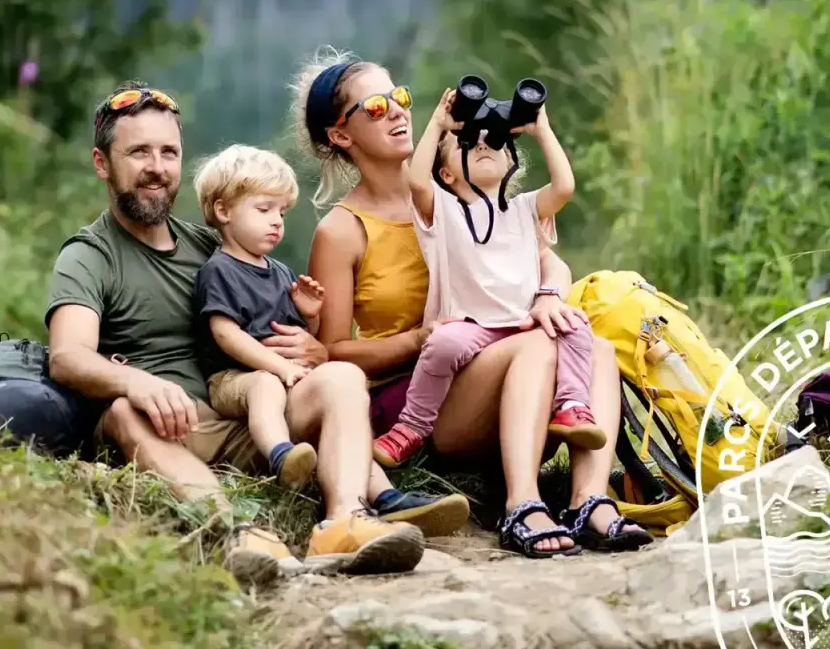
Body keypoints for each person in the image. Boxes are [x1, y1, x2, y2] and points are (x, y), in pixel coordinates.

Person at [44, 81, 470, 587]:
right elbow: (67, 357)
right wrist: (138, 382)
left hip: (252, 414)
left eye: (168, 152)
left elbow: (279, 317)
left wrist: (312, 345)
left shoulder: (211, 246)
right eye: (138, 152)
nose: (156, 167)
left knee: (340, 377)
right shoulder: (90, 255)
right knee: (121, 411)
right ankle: (237, 531)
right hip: (170, 426)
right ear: (102, 163)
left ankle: (344, 522)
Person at [291, 50, 655, 558]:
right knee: (537, 345)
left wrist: (549, 295)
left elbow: (545, 260)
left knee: (593, 346)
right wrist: (419, 339)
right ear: (340, 135)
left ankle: (589, 502)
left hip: (504, 372)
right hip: (426, 397)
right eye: (375, 107)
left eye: (399, 97)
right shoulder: (343, 230)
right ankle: (522, 505)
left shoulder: (460, 187)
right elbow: (333, 351)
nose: (396, 111)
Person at [371, 87, 606, 469]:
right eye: (467, 143)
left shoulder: (526, 208)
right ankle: (411, 427)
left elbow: (564, 187)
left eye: (494, 141)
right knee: (442, 343)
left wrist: (541, 129)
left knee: (577, 327)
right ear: (446, 173)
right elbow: (417, 182)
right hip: (471, 325)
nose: (482, 145)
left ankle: (572, 405)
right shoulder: (443, 211)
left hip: (524, 322)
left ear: (510, 159)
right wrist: (439, 123)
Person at [190, 143, 327, 491]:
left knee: (335, 384)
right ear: (223, 210)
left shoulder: (280, 272)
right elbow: (226, 334)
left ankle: (378, 490)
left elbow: (297, 336)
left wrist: (310, 317)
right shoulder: (219, 270)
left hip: (282, 373)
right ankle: (281, 456)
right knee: (265, 383)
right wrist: (279, 367)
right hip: (232, 379)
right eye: (264, 209)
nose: (277, 221)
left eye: (282, 212)